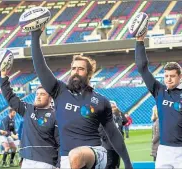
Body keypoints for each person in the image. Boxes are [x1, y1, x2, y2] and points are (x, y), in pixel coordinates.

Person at [30, 29, 132, 169]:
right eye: (73, 69)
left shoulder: (101, 101)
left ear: (89, 74)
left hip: (95, 152)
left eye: (80, 69)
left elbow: (113, 134)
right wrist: (35, 37)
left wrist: (127, 162)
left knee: (76, 155)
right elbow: (41, 68)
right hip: (66, 158)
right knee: (74, 157)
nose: (75, 72)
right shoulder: (59, 90)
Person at [135, 30, 182, 168]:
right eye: (166, 76)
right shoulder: (159, 91)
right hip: (164, 150)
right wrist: (139, 41)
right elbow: (142, 68)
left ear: (180, 77)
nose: (168, 79)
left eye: (172, 76)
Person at [0, 69, 60, 169]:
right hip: (27, 161)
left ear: (50, 98)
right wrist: (3, 76)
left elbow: (60, 143)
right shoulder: (28, 109)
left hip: (46, 162)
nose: (38, 97)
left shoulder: (56, 115)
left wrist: (59, 164)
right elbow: (10, 97)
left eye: (42, 94)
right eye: (37, 94)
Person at [99, 101, 128, 169]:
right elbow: (100, 130)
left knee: (116, 163)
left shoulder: (118, 116)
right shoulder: (104, 117)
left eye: (114, 107)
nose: (113, 109)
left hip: (118, 144)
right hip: (108, 145)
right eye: (111, 107)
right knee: (109, 163)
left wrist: (119, 112)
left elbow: (125, 121)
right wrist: (106, 139)